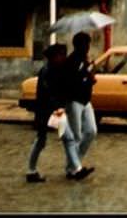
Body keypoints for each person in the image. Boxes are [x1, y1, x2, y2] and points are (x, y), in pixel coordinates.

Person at [26, 43, 75, 183]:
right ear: (53, 57)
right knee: (67, 139)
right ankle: (75, 168)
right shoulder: (48, 72)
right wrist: (59, 107)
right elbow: (50, 93)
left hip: (48, 111)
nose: (63, 57)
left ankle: (31, 170)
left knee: (42, 141)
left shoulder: (54, 70)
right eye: (61, 55)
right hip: (49, 112)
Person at [63, 31, 98, 180]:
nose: (88, 47)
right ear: (79, 45)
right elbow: (71, 82)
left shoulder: (85, 59)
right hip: (74, 101)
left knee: (91, 131)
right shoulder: (72, 61)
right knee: (76, 135)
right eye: (86, 44)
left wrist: (90, 76)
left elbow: (87, 78)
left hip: (86, 100)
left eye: (89, 43)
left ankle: (73, 165)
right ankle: (75, 168)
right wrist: (86, 76)